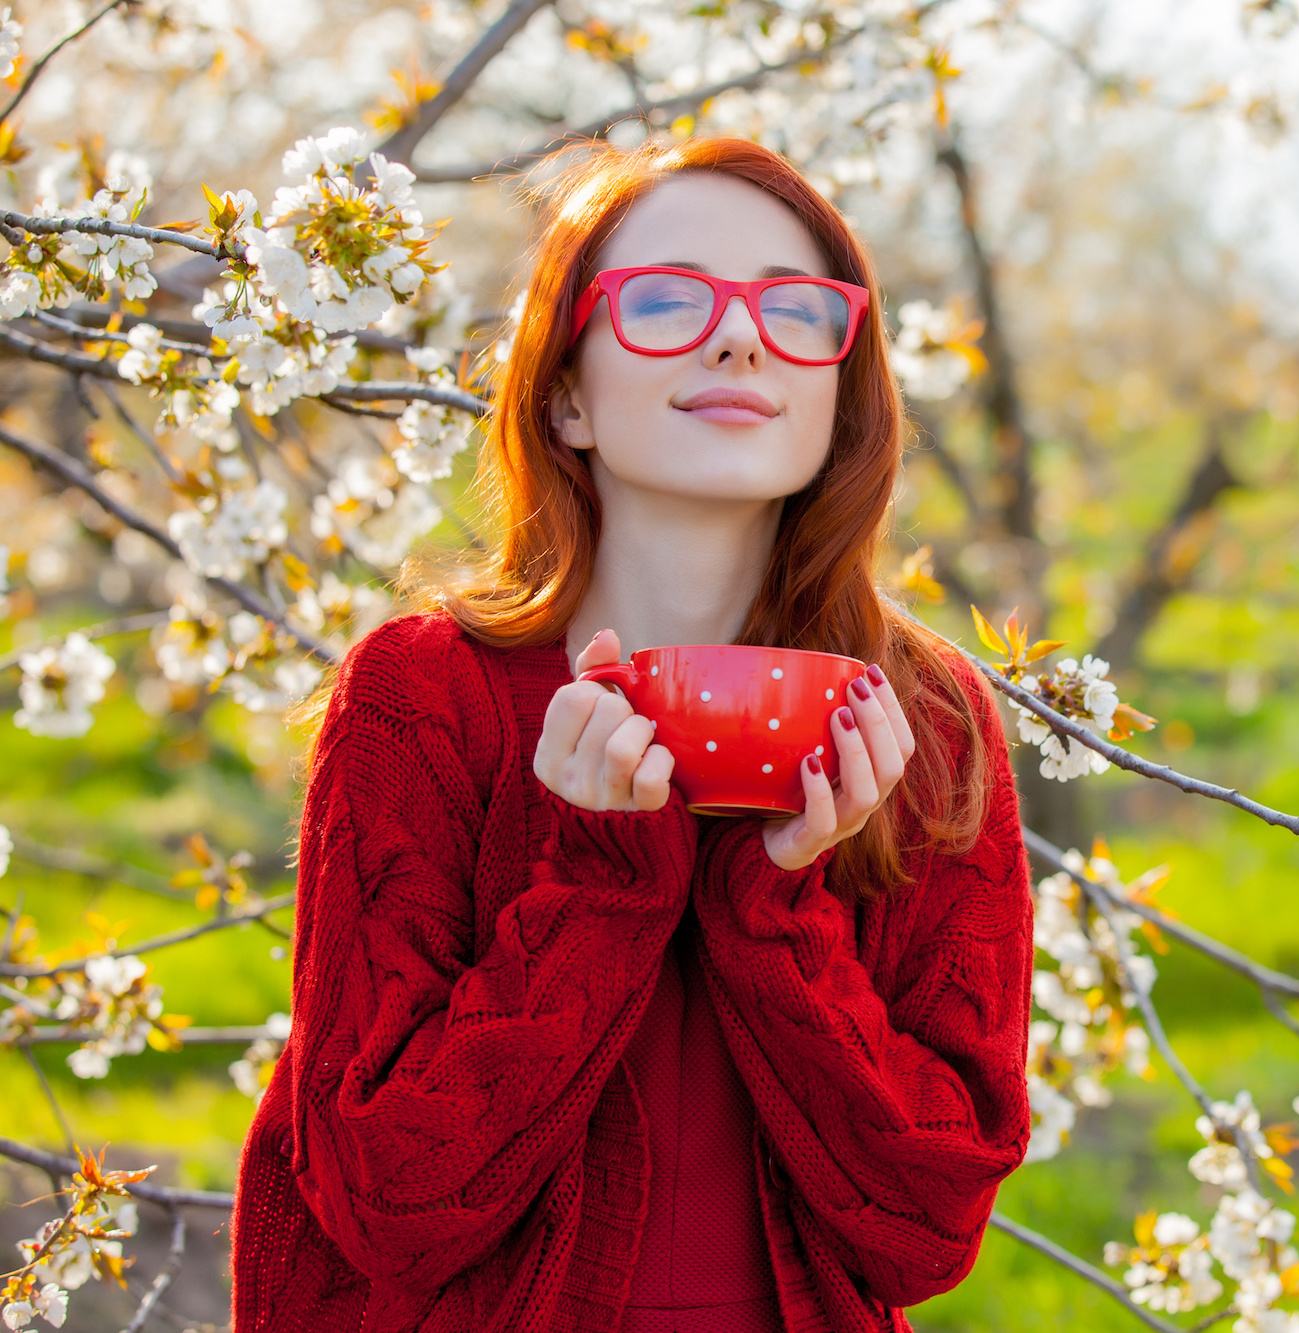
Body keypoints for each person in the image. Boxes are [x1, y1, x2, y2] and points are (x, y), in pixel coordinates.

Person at [229, 136, 1034, 1333]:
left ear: (839, 382)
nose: (738, 337)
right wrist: (597, 892)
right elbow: (382, 1198)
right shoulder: (422, 699)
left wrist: (775, 908)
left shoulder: (920, 724)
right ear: (563, 391)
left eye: (795, 308)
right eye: (665, 300)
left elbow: (926, 1228)